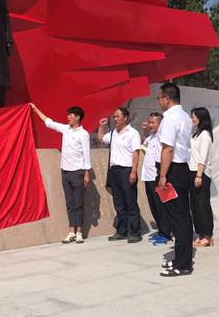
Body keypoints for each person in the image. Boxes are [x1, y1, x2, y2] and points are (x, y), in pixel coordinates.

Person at [30, 103, 91, 244]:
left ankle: (79, 232)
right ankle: (71, 231)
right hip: (65, 172)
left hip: (78, 172)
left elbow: (86, 154)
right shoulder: (65, 129)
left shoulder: (84, 134)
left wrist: (87, 173)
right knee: (70, 203)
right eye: (68, 115)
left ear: (77, 117)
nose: (68, 117)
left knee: (78, 203)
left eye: (71, 115)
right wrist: (35, 109)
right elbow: (48, 122)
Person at [156, 83, 194, 276]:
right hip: (181, 168)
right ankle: (181, 257)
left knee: (178, 218)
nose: (158, 101)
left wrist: (163, 175)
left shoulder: (170, 118)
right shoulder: (185, 116)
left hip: (172, 170)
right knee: (181, 216)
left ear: (167, 98)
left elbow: (168, 149)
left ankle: (183, 264)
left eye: (159, 98)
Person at [98, 108, 142, 243]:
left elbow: (136, 153)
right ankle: (122, 231)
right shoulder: (113, 133)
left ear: (126, 118)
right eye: (114, 117)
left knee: (130, 202)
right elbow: (101, 139)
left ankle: (135, 232)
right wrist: (101, 126)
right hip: (114, 171)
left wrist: (133, 171)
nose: (115, 119)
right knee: (119, 203)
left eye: (118, 116)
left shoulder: (132, 133)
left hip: (126, 171)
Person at [141, 113, 172, 244]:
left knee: (160, 206)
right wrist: (145, 131)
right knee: (153, 205)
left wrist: (162, 175)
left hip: (156, 176)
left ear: (160, 123)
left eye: (153, 122)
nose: (150, 125)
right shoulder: (152, 137)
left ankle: (166, 233)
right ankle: (161, 230)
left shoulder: (161, 138)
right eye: (150, 122)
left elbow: (164, 156)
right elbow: (144, 143)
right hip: (148, 176)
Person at [189, 107, 214, 247]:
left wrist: (199, 175)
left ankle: (207, 235)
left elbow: (203, 157)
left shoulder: (205, 135)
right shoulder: (196, 134)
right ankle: (200, 233)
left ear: (200, 118)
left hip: (201, 173)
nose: (192, 119)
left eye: (194, 116)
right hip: (192, 171)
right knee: (195, 205)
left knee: (202, 204)